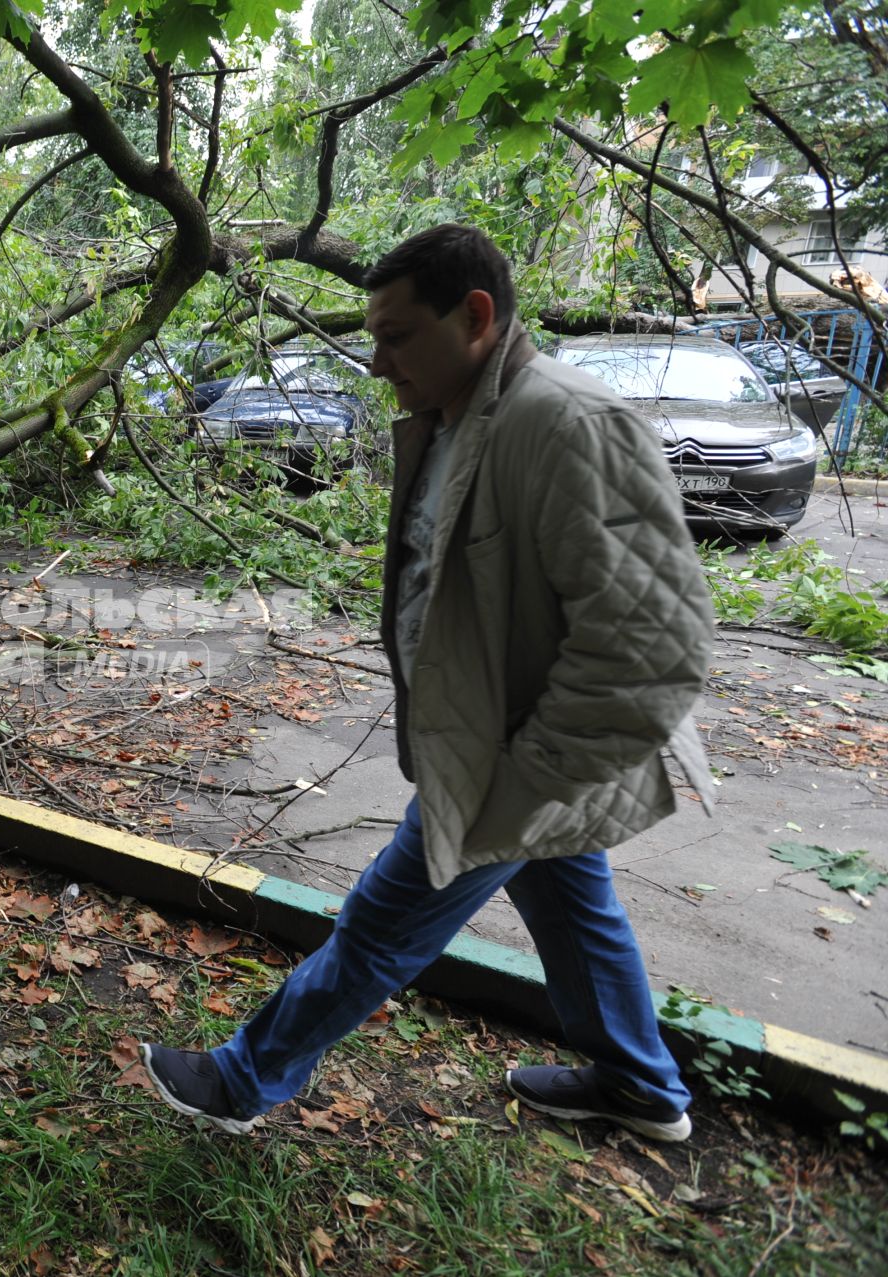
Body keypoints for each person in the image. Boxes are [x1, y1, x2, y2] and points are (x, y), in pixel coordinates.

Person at [141, 224, 715, 1143]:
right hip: (504, 749)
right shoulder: (464, 417)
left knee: (377, 925)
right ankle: (642, 1086)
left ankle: (245, 1078)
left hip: (504, 763)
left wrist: (512, 792)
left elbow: (654, 651)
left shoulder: (565, 424)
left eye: (397, 335)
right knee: (574, 905)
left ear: (476, 316)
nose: (376, 362)